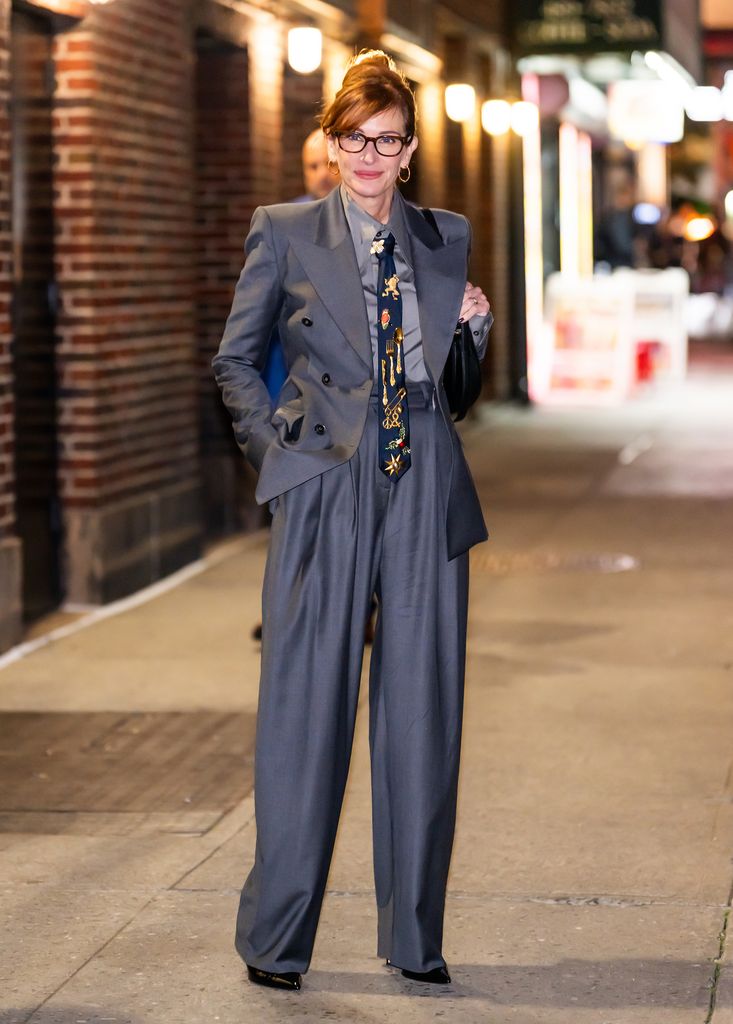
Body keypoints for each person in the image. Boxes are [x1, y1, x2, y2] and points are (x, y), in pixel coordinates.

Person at [212, 49, 492, 993]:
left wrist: (473, 334)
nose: (369, 156)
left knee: (422, 712)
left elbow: (460, 393)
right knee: (305, 706)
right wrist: (275, 458)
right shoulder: (284, 231)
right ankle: (277, 940)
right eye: (353, 139)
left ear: (409, 151)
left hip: (423, 476)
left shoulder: (444, 234)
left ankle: (414, 939)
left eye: (386, 141)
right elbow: (235, 361)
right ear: (332, 145)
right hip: (323, 477)